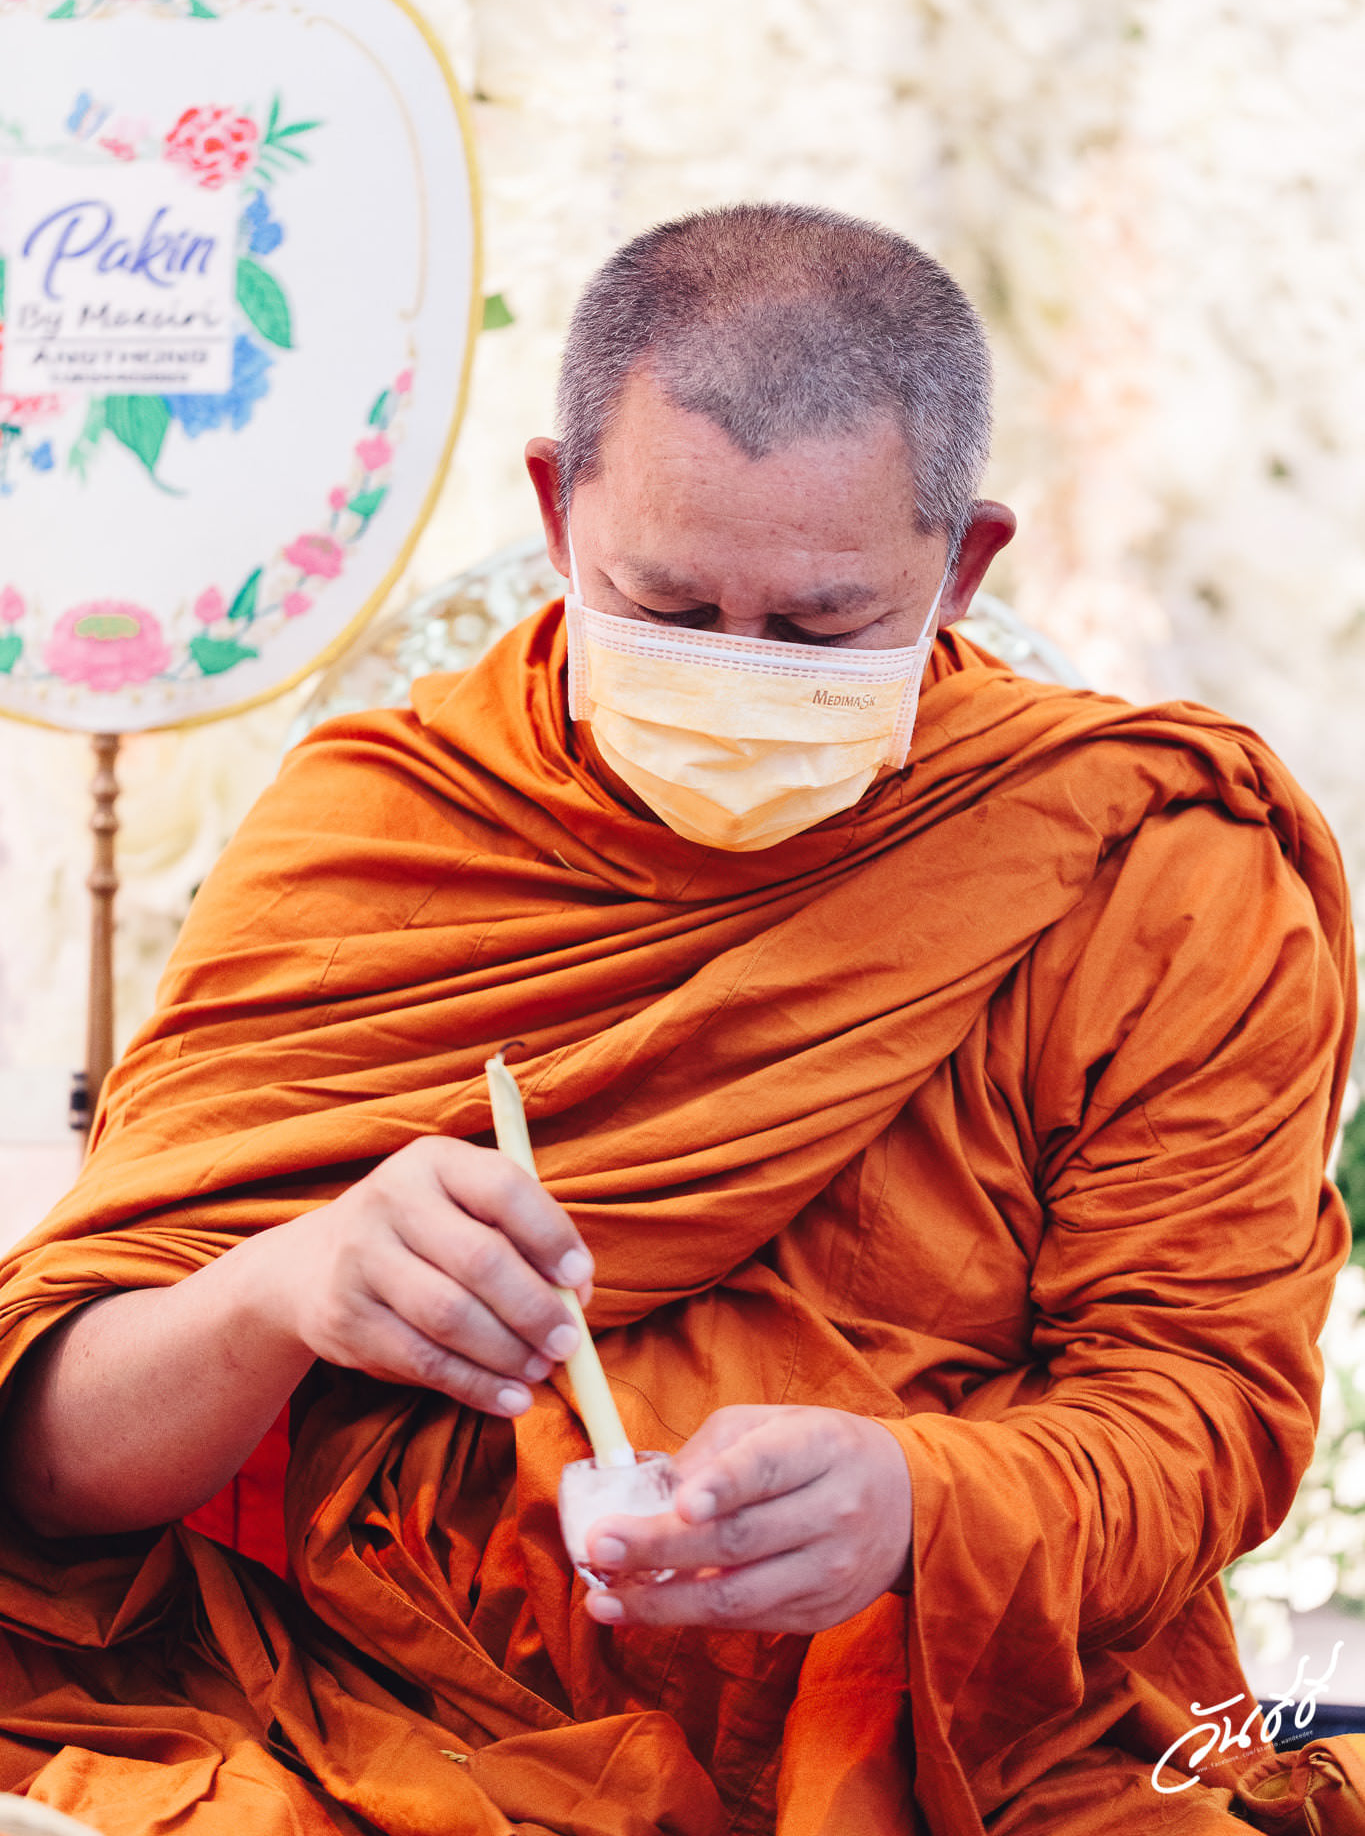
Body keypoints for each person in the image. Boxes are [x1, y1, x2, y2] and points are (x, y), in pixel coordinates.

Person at [0, 204, 1356, 1836]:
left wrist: (918, 1503)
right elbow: (51, 1470)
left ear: (963, 564)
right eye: (663, 606)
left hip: (959, 1739)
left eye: (818, 629)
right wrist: (283, 1291)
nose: (737, 677)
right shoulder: (378, 832)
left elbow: (1202, 1416)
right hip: (366, 1719)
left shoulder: (1145, 863)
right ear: (555, 510)